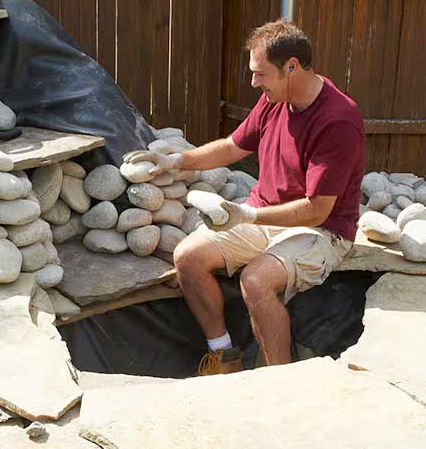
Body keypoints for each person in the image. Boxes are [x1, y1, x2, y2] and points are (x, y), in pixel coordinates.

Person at [123, 19, 365, 375]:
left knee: (256, 281)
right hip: (264, 215)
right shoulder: (275, 99)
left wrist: (247, 216)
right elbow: (232, 146)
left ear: (292, 67)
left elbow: (317, 210)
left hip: (322, 230)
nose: (254, 82)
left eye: (260, 74)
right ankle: (225, 357)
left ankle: (279, 382)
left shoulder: (338, 121)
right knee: (188, 258)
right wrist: (176, 161)